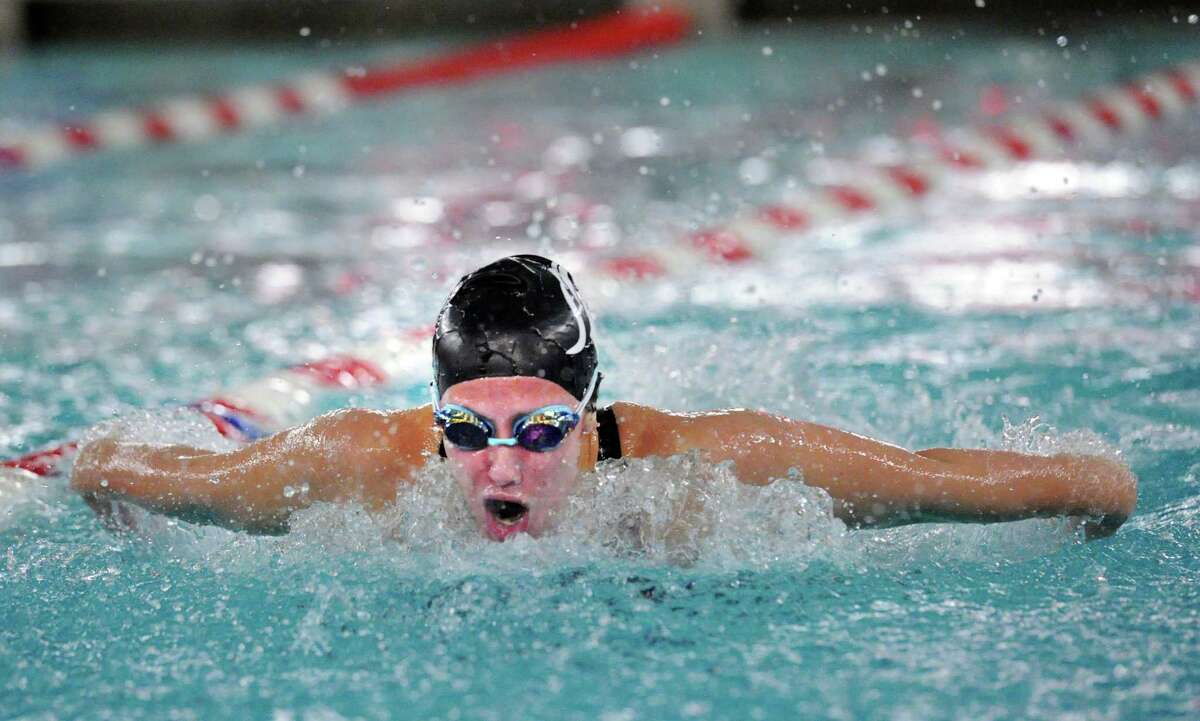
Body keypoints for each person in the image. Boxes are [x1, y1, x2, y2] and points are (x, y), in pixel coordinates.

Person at [71, 255, 1137, 542]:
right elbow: (145, 470)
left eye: (541, 430)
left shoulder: (708, 470)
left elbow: (936, 480)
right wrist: (98, 477)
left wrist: (1097, 493)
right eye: (465, 430)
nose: (501, 465)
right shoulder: (357, 466)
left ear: (592, 415)